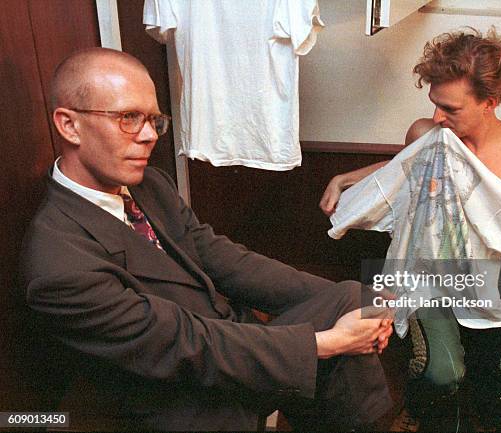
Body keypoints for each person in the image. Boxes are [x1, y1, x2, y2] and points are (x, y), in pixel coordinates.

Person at [19, 47, 394, 431]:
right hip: (178, 396)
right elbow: (184, 343)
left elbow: (221, 257)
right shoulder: (58, 264)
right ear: (69, 125)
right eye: (128, 118)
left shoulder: (148, 185)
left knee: (355, 299)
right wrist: (327, 342)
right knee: (338, 345)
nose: (149, 136)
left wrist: (355, 311)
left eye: (153, 120)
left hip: (227, 341)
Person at [319, 28, 501, 429]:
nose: (436, 118)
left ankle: (478, 411)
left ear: (490, 102)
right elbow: (402, 171)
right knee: (440, 372)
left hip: (483, 285)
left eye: (450, 109)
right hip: (423, 279)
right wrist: (346, 178)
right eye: (434, 104)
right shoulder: (427, 136)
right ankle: (421, 413)